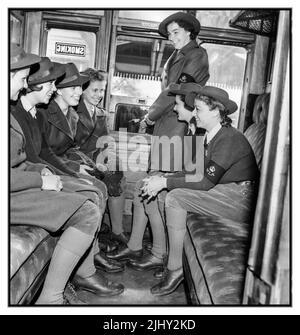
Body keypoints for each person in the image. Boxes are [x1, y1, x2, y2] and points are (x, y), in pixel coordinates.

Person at [9, 44, 124, 305]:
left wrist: (55, 172)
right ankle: (58, 294)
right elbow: (30, 158)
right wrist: (44, 178)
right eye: (22, 78)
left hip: (26, 178)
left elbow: (38, 155)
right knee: (89, 203)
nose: (25, 84)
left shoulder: (23, 112)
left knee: (96, 188)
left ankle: (84, 268)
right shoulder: (18, 112)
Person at [141, 86, 259, 295]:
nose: (194, 113)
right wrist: (162, 178)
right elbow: (192, 172)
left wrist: (166, 184)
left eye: (199, 109)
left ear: (216, 112)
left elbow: (205, 182)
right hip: (227, 190)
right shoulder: (211, 135)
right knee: (163, 194)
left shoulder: (229, 138)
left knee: (175, 197)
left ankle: (175, 269)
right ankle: (172, 257)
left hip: (242, 199)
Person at [106, 83, 203, 276]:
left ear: (191, 107)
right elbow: (191, 166)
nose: (174, 109)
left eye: (177, 105)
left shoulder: (198, 129)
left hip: (195, 181)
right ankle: (136, 246)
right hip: (185, 174)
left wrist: (166, 179)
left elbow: (196, 169)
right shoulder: (193, 126)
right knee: (143, 185)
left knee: (152, 190)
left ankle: (159, 254)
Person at [74, 68, 127, 246]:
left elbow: (105, 141)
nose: (99, 94)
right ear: (82, 89)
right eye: (94, 90)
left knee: (118, 171)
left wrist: (110, 150)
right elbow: (70, 147)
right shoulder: (73, 112)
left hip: (97, 158)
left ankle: (117, 231)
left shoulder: (101, 113)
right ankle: (93, 241)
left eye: (102, 90)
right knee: (106, 176)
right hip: (79, 160)